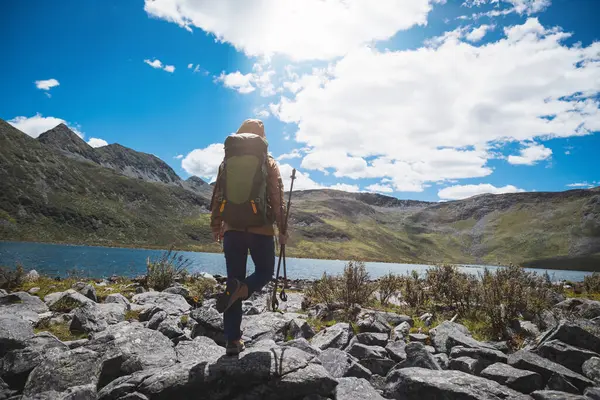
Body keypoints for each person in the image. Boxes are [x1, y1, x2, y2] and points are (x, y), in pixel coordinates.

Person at [209, 119, 288, 356]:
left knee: (233, 279)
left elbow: (218, 194)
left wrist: (216, 224)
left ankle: (232, 341)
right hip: (260, 229)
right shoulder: (269, 162)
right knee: (264, 272)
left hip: (232, 229)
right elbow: (277, 199)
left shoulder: (226, 163)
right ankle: (243, 290)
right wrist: (282, 229)